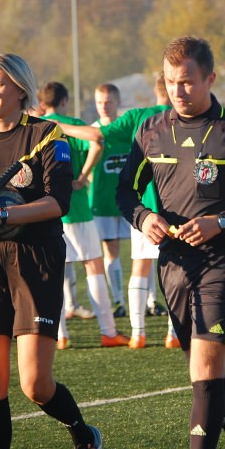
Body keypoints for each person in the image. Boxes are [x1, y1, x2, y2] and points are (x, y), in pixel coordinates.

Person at [116, 36, 225, 449]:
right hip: (171, 261)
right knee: (207, 374)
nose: (178, 90)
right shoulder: (150, 131)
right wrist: (143, 217)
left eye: (187, 81)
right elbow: (125, 192)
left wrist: (221, 222)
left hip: (222, 259)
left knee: (206, 373)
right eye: (171, 82)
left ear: (210, 77)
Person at [0, 54, 104, 449]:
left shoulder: (47, 135)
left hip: (37, 259)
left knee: (34, 384)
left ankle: (84, 434)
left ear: (20, 89)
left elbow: (58, 202)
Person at [56, 75, 178, 348]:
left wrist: (57, 126)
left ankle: (138, 333)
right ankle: (174, 334)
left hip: (144, 210)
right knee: (176, 270)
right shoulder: (189, 117)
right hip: (179, 206)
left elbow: (97, 136)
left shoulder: (138, 117)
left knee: (140, 266)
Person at [38, 81, 129, 349]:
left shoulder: (32, 126)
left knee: (53, 272)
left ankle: (60, 335)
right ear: (64, 101)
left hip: (42, 211)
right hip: (74, 208)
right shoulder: (71, 124)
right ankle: (108, 332)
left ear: (43, 103)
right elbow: (97, 141)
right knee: (93, 266)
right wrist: (82, 176)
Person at [91, 83, 129, 317]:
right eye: (99, 102)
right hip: (103, 203)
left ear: (118, 102)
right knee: (111, 249)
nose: (104, 107)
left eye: (108, 102)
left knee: (145, 251)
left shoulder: (127, 128)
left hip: (130, 201)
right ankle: (118, 301)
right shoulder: (91, 132)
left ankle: (150, 300)